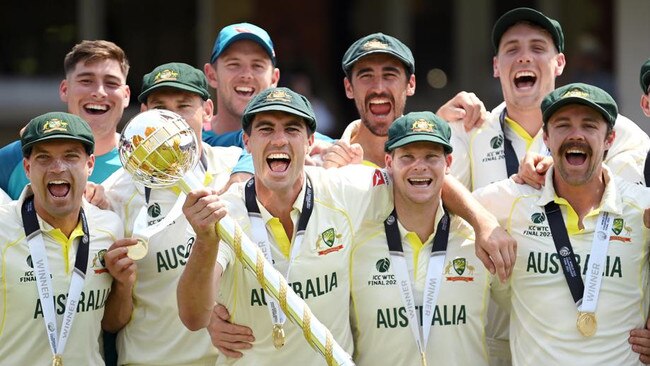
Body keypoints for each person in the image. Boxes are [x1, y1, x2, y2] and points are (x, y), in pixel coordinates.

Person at [178, 86, 395, 364]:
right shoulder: (225, 212)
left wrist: (472, 219)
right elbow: (193, 317)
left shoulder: (343, 188)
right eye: (266, 129)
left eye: (292, 129)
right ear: (247, 141)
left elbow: (415, 178)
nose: (279, 140)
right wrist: (207, 241)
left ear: (310, 141)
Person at [475, 83, 650, 365]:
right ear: (546, 137)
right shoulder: (516, 200)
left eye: (590, 126)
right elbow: (438, 195)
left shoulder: (641, 207)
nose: (576, 135)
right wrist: (482, 222)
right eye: (563, 125)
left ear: (609, 139)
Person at [103, 62, 245, 366]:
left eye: (183, 107)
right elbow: (110, 321)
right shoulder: (115, 192)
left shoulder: (236, 167)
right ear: (143, 115)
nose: (170, 120)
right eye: (159, 108)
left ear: (207, 111)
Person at [350, 111, 493, 365]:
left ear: (448, 163)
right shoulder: (356, 244)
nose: (420, 166)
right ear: (388, 162)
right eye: (407, 157)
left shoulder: (479, 243)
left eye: (431, 156)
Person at [0, 112, 132, 365]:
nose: (58, 167)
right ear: (27, 168)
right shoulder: (3, 228)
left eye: (71, 156)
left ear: (90, 164)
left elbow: (111, 324)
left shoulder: (109, 227)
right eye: (44, 158)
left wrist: (124, 285)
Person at [0, 40, 131, 200]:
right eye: (86, 81)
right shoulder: (16, 158)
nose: (99, 92)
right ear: (64, 89)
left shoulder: (145, 165)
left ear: (126, 95)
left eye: (111, 83)